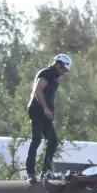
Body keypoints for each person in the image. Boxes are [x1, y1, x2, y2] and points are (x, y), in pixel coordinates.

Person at [25, 53, 71, 183]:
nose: (64, 73)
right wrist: (45, 108)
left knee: (53, 140)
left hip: (46, 114)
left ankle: (46, 171)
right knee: (36, 140)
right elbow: (38, 91)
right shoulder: (46, 73)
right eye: (64, 69)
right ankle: (30, 172)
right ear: (58, 65)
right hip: (37, 111)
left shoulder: (54, 79)